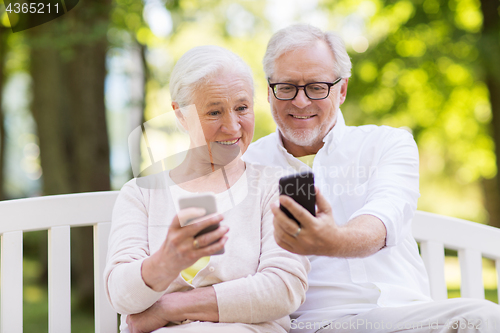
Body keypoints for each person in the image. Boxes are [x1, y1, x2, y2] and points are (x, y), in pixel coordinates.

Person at [243, 24, 500, 333]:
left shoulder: (386, 145)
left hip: (406, 318)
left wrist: (331, 240)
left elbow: (380, 220)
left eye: (316, 87)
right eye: (286, 87)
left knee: (485, 318)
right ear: (269, 89)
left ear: (342, 90)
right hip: (311, 323)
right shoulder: (248, 165)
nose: (300, 101)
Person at [104, 45, 310, 333]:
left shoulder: (288, 185)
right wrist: (165, 261)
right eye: (214, 112)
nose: (232, 126)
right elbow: (119, 293)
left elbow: (286, 287)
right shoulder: (140, 193)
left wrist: (169, 308)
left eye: (242, 108)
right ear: (181, 115)